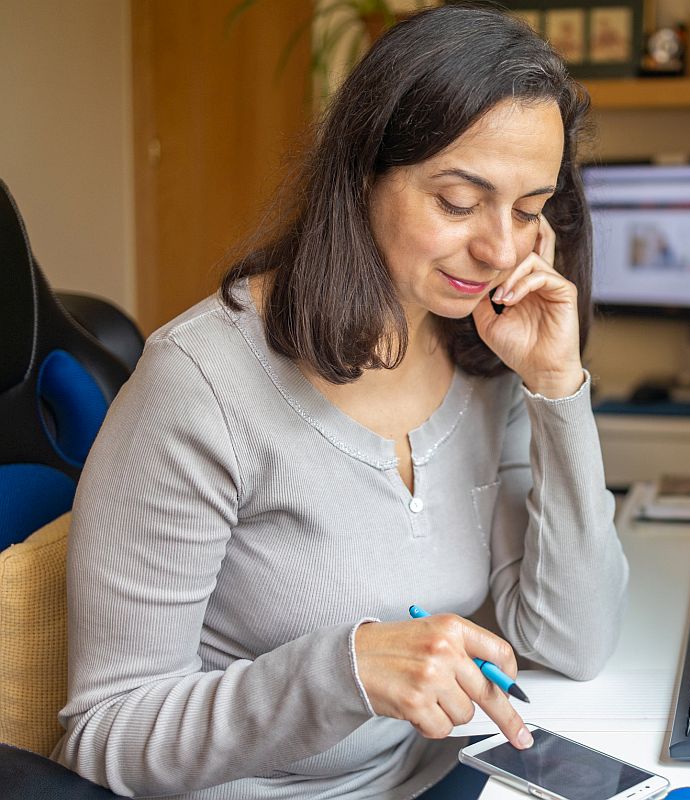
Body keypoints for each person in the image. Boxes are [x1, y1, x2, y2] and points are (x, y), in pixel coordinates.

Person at [52, 6, 629, 798]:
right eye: (460, 202)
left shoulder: (484, 353)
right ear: (362, 176)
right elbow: (106, 736)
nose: (501, 250)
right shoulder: (201, 383)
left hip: (440, 780)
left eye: (529, 210)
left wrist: (556, 389)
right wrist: (342, 670)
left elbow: (574, 639)